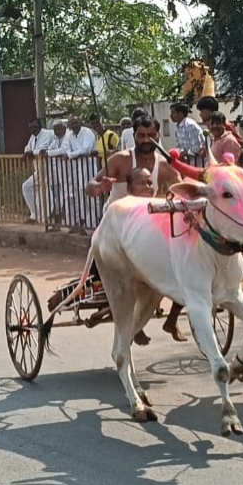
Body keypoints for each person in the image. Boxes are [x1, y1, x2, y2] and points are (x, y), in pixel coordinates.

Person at [84, 114, 189, 344]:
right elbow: (89, 186)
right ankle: (133, 320)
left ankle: (172, 319)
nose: (146, 140)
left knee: (185, 261)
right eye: (141, 135)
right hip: (116, 227)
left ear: (158, 136)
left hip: (148, 225)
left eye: (151, 135)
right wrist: (99, 187)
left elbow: (182, 189)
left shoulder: (164, 165)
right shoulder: (121, 160)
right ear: (134, 136)